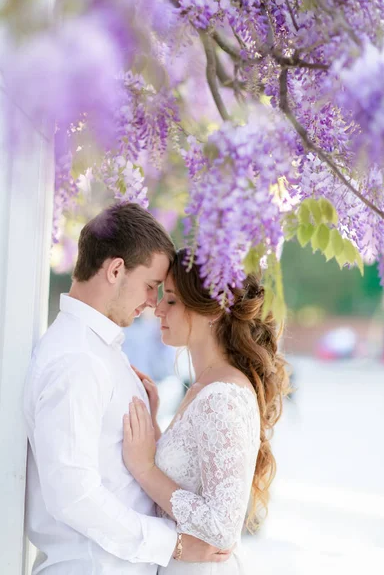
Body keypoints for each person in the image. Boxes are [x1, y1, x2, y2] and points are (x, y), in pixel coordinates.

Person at [23, 203, 230, 575]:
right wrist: (173, 543)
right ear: (116, 269)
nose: (154, 303)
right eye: (152, 287)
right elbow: (73, 493)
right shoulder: (78, 359)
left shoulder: (100, 351)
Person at [122, 248, 290, 574]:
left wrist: (144, 469)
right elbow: (192, 477)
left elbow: (222, 527)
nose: (157, 309)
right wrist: (156, 429)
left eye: (170, 300)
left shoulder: (221, 396)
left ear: (212, 309)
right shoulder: (207, 385)